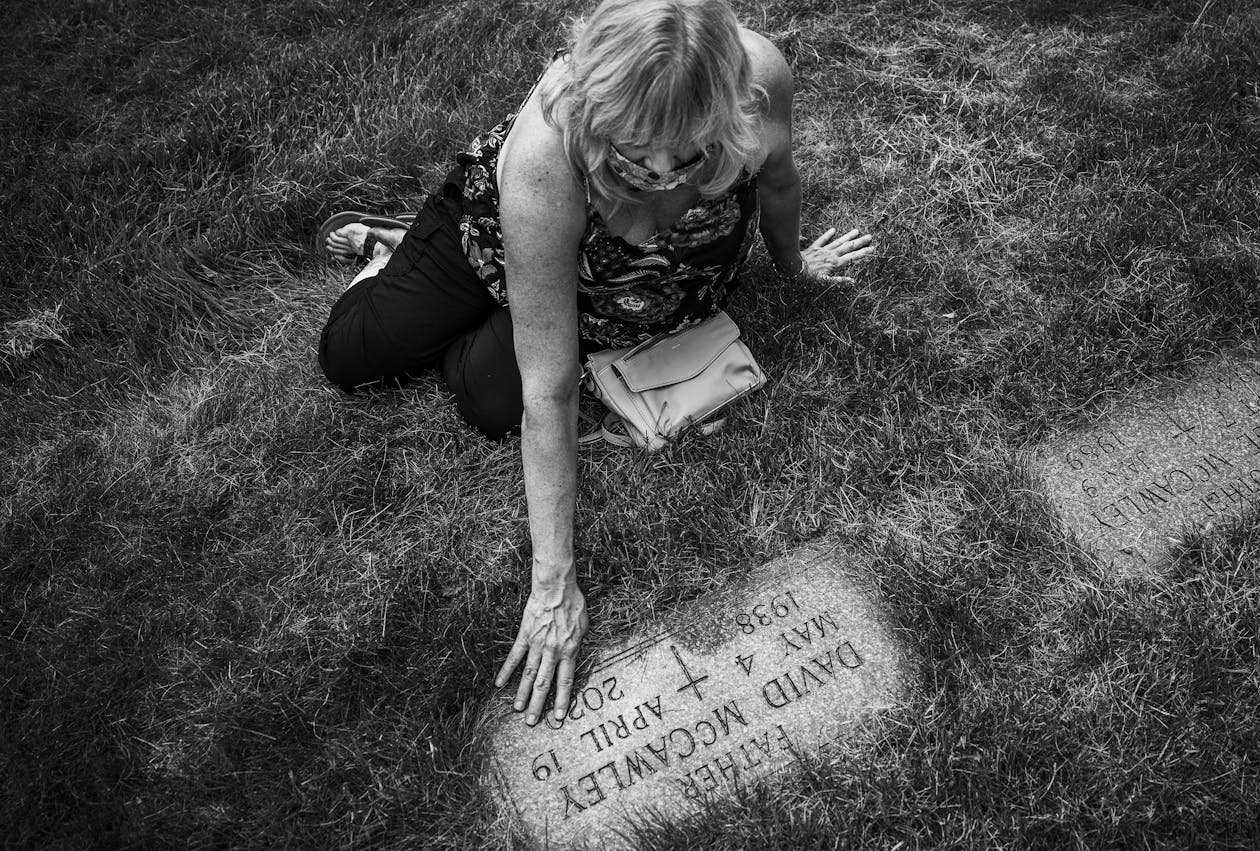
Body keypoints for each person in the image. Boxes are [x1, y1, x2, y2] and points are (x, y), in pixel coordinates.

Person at [316, 0, 875, 726]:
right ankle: (394, 255)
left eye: (689, 150)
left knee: (490, 400)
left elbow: (777, 183)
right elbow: (550, 388)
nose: (663, 170)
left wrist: (795, 268)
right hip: (501, 230)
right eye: (637, 153)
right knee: (353, 356)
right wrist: (554, 584)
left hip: (646, 279)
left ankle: (520, 305)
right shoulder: (549, 151)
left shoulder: (760, 78)